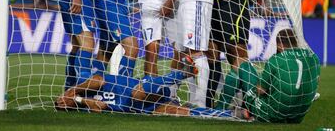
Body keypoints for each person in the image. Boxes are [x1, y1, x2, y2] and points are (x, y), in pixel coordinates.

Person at [55, 55, 233, 119]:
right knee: (184, 113)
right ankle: (232, 115)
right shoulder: (83, 107)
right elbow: (101, 107)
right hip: (142, 108)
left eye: (60, 101)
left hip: (148, 89)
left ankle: (180, 75)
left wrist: (74, 91)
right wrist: (77, 101)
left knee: (137, 92)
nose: (63, 103)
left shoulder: (86, 84)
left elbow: (98, 80)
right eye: (62, 106)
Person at [216, 29, 320, 123]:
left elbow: (260, 90)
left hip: (273, 114)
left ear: (279, 45)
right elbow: (316, 83)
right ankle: (242, 108)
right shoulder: (313, 57)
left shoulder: (276, 59)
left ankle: (221, 109)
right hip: (298, 116)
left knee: (243, 66)